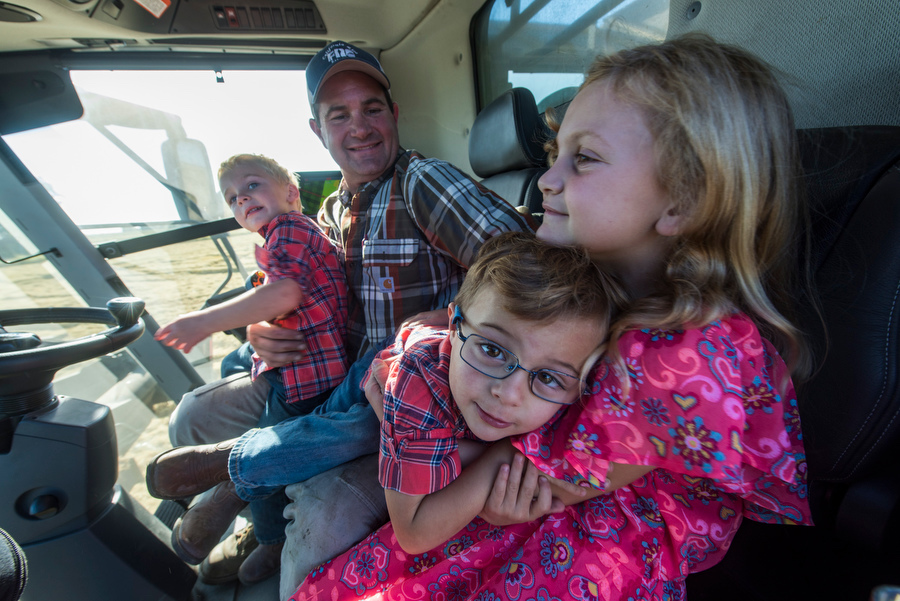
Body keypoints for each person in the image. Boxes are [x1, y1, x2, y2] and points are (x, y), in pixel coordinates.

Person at [289, 34, 814, 601]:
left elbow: (548, 483)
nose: (547, 180)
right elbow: (476, 323)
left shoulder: (692, 354)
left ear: (682, 200)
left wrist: (420, 431)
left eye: (583, 159)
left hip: (595, 531)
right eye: (553, 155)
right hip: (523, 467)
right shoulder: (591, 282)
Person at [148, 40, 533, 588]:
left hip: (410, 391)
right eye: (339, 115)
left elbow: (530, 266)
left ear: (394, 115)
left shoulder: (422, 182)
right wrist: (264, 332)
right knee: (194, 416)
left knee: (322, 515)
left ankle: (252, 490)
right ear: (317, 130)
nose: (360, 126)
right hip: (335, 371)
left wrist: (453, 316)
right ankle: (263, 518)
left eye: (372, 108)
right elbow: (301, 289)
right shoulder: (330, 211)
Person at [148, 154, 349, 575]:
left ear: (291, 194)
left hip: (308, 373)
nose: (242, 200)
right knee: (236, 368)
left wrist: (204, 321)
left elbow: (284, 294)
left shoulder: (289, 229)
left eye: (252, 186)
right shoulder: (286, 233)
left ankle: (270, 536)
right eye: (232, 198)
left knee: (266, 447)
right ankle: (249, 514)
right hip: (296, 362)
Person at [370, 232, 625, 555]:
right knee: (341, 435)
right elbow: (413, 533)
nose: (508, 393)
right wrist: (500, 461)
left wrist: (466, 453)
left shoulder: (572, 392)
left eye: (547, 376)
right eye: (492, 349)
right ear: (454, 327)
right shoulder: (416, 385)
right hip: (391, 373)